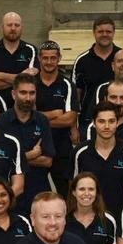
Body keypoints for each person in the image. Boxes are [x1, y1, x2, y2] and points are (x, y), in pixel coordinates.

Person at [0, 74, 55, 212]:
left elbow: (47, 161)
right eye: (23, 93)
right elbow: (0, 160)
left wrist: (15, 159)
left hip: (38, 189)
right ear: (13, 94)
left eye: (32, 93)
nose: (28, 98)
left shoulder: (42, 121)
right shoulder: (1, 122)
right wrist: (32, 154)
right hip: (11, 191)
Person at [73, 101, 123, 215]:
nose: (107, 126)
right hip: (88, 217)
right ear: (94, 123)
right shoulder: (80, 152)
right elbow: (73, 186)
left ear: (117, 123)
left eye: (111, 121)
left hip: (119, 216)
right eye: (101, 121)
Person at [34, 41, 80, 194]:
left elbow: (69, 119)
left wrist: (39, 117)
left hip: (61, 146)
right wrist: (55, 114)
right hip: (36, 146)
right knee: (35, 193)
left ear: (59, 58)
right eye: (45, 58)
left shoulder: (67, 84)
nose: (49, 62)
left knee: (65, 193)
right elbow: (27, 116)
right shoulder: (31, 83)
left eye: (53, 58)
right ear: (39, 59)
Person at [72, 16, 123, 113]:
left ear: (114, 33)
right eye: (100, 32)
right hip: (89, 118)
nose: (104, 35)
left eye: (108, 32)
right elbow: (75, 94)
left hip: (120, 118)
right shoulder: (82, 61)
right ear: (94, 33)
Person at [0, 11, 37, 107]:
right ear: (2, 27)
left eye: (17, 25)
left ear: (22, 28)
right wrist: (20, 77)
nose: (13, 28)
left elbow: (29, 82)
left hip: (23, 107)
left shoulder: (30, 50)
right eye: (9, 25)